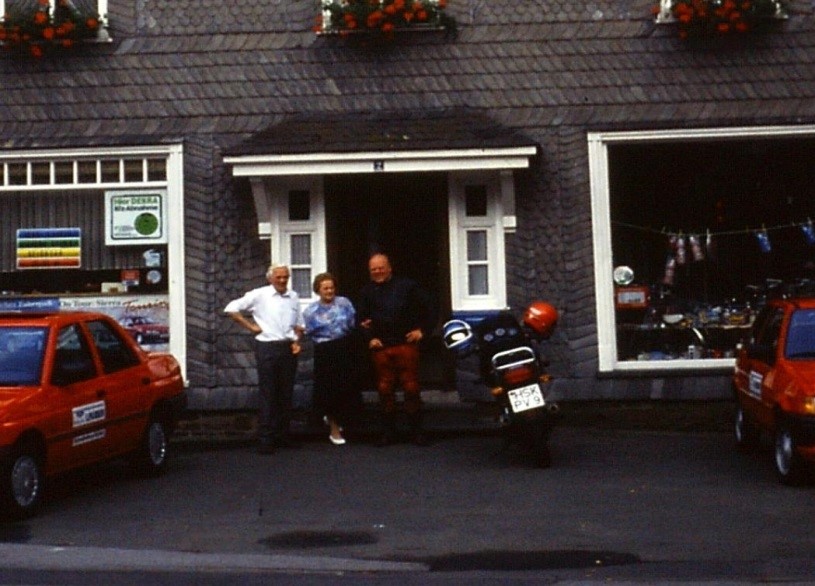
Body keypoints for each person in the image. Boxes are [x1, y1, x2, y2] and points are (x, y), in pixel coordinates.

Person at [224, 264, 304, 454]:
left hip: (287, 347)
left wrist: (296, 340)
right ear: (270, 279)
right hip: (267, 347)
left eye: (286, 277)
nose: (283, 281)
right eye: (279, 277)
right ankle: (265, 439)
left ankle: (283, 435)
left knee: (286, 393)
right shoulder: (259, 295)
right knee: (269, 394)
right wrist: (250, 326)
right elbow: (231, 308)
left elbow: (299, 324)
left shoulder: (293, 297)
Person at [357, 253, 436, 446]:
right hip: (381, 347)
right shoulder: (366, 292)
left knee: (411, 388)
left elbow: (431, 308)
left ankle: (417, 432)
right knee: (384, 390)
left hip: (405, 344)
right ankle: (388, 433)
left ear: (389, 268)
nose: (377, 272)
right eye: (373, 269)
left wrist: (422, 330)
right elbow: (359, 319)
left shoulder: (408, 287)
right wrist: (370, 338)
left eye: (381, 268)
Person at [303, 272, 358, 446]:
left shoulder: (345, 303)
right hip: (325, 351)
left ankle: (346, 423)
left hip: (344, 347)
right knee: (329, 390)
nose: (329, 291)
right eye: (325, 288)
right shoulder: (310, 311)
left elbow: (352, 324)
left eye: (332, 287)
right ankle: (334, 428)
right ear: (318, 290)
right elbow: (309, 333)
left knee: (346, 387)